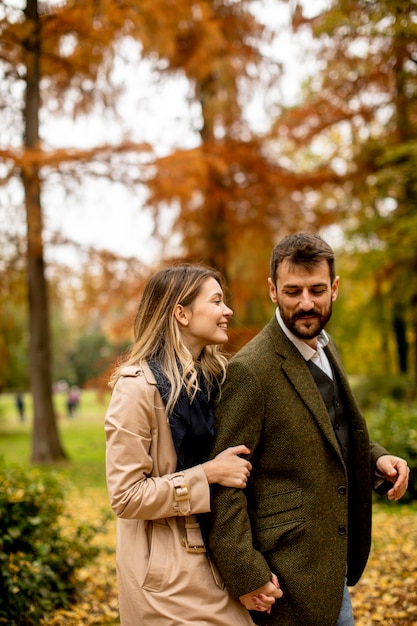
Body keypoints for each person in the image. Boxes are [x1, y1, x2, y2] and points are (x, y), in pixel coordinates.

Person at [208, 233, 410, 626]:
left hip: (331, 567)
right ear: (272, 290)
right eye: (293, 291)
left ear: (334, 288)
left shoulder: (323, 345)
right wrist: (248, 576)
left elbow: (332, 428)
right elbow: (224, 482)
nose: (306, 303)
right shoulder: (250, 371)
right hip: (284, 579)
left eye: (317, 290)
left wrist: (377, 457)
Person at [104, 263, 260, 626]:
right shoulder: (136, 388)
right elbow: (125, 497)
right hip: (162, 573)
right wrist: (208, 474)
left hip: (213, 556)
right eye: (217, 301)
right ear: (181, 313)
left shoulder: (213, 378)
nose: (228, 312)